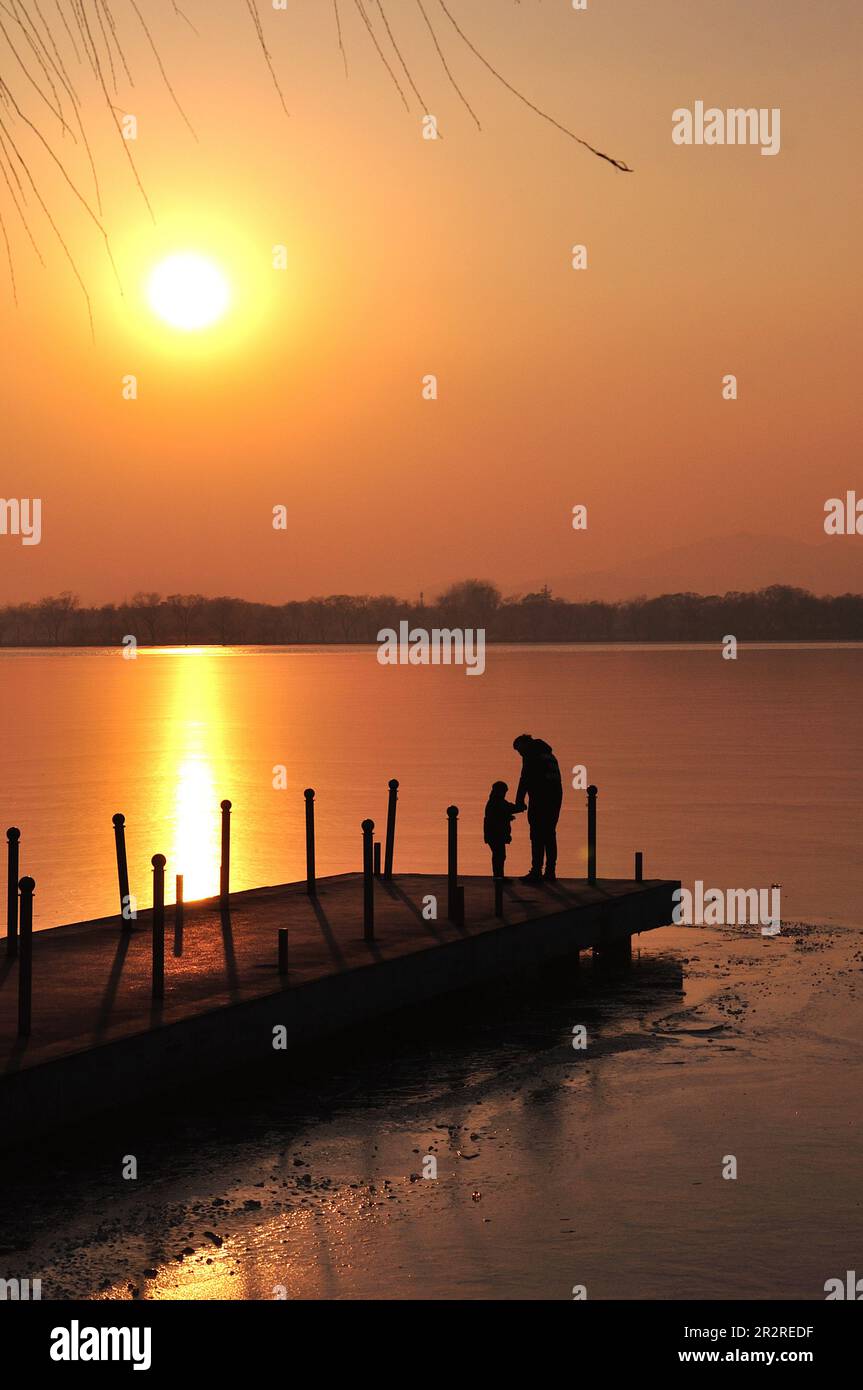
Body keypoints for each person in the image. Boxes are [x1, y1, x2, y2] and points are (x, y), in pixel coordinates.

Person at [513, 733, 563, 883]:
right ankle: (550, 871)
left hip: (540, 799)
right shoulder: (548, 754)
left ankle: (536, 871)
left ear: (524, 744)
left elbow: (525, 779)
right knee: (549, 834)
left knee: (536, 835)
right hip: (555, 798)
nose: (519, 753)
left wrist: (519, 802)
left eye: (518, 749)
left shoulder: (531, 755)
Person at [483, 781, 523, 881]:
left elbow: (503, 812)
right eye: (504, 792)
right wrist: (520, 808)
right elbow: (507, 809)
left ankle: (498, 875)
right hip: (495, 834)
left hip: (493, 834)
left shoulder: (494, 801)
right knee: (499, 855)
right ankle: (498, 876)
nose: (504, 794)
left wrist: (508, 817)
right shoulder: (497, 802)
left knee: (499, 855)